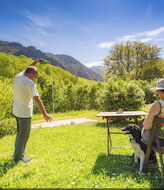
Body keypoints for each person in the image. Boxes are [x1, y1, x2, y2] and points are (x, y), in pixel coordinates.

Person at [13, 59, 54, 163]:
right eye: (35, 76)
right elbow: (37, 100)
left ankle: (18, 152)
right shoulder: (30, 83)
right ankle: (19, 158)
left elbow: (28, 67)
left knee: (19, 133)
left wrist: (37, 62)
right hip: (24, 113)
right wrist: (45, 114)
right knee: (23, 135)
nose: (35, 78)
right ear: (30, 74)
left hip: (16, 111)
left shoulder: (18, 76)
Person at [142, 78, 164, 146]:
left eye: (158, 91)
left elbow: (146, 126)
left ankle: (148, 155)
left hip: (160, 140)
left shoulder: (157, 106)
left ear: (161, 91)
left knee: (144, 128)